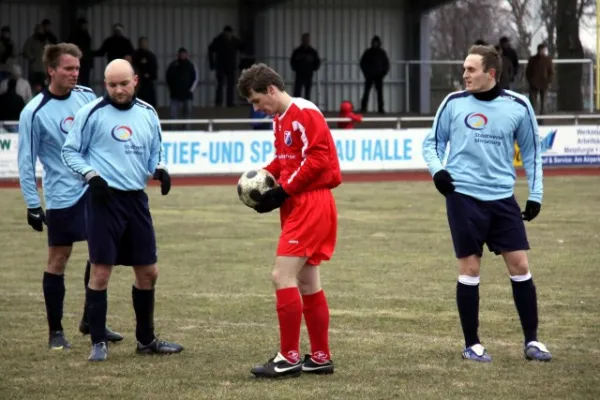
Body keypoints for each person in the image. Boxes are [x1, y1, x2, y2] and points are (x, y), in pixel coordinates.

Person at [422, 45, 552, 363]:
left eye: (471, 69)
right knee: (470, 268)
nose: (464, 74)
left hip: (502, 199)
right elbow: (432, 143)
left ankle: (532, 342)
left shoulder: (518, 106)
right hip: (463, 197)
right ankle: (473, 345)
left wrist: (535, 195)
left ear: (490, 74)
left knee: (520, 265)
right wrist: (438, 171)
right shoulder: (453, 103)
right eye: (464, 68)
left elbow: (533, 154)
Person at [61, 58, 183, 362]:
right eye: (112, 85)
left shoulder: (148, 113)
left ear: (136, 81)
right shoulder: (90, 114)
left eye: (123, 84)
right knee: (101, 272)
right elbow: (69, 151)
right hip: (104, 201)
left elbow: (157, 148)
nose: (118, 90)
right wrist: (91, 175)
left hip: (136, 201)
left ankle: (146, 341)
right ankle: (98, 341)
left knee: (148, 272)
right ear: (106, 84)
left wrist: (160, 168)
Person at [237, 63, 342, 378]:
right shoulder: (281, 118)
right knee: (308, 282)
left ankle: (288, 357)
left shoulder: (304, 112)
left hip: (310, 202)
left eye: (257, 101)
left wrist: (283, 191)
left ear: (270, 89)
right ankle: (321, 356)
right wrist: (265, 175)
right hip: (300, 202)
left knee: (281, 276)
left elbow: (319, 159)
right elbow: (286, 160)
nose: (258, 109)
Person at [17, 43, 123, 350]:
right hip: (62, 195)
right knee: (59, 259)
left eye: (77, 68)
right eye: (68, 69)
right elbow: (26, 161)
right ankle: (55, 332)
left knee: (100, 254)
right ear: (51, 70)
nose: (74, 74)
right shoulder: (34, 112)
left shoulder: (86, 96)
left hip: (94, 189)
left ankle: (91, 321)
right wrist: (33, 204)